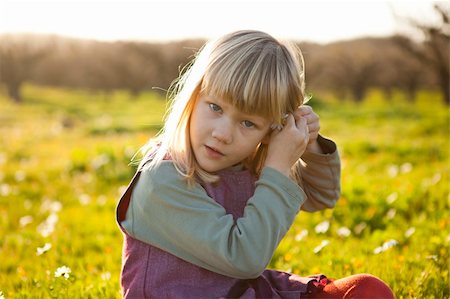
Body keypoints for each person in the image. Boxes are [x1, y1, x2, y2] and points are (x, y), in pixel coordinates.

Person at [116, 30, 394, 298]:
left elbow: (323, 195)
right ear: (193, 96)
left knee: (367, 290)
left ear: (270, 130)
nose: (223, 134)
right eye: (215, 107)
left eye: (248, 122)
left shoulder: (246, 163)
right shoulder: (162, 179)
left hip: (244, 292)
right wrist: (277, 167)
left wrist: (308, 144)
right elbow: (244, 258)